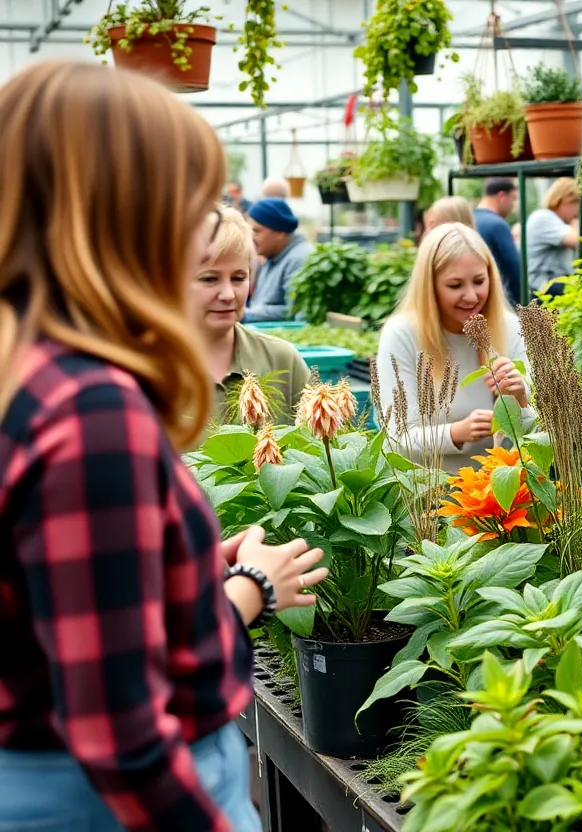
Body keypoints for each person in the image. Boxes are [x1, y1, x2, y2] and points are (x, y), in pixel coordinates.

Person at [0, 60, 328, 831]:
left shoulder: (30, 371)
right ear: (117, 213)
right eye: (186, 200)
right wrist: (251, 582)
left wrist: (187, 561)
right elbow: (124, 735)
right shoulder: (89, 412)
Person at [375, 222, 535, 472]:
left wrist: (521, 398)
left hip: (499, 495)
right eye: (455, 285)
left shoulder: (510, 327)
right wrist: (455, 433)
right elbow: (398, 435)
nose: (471, 296)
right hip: (424, 498)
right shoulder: (401, 334)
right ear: (430, 287)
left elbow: (537, 432)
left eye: (479, 281)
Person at [191, 207, 310, 427]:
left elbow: (325, 451)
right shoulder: (148, 369)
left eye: (238, 278)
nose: (228, 294)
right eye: (209, 279)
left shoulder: (282, 361)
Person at [245, 197, 314, 322]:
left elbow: (295, 311)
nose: (251, 238)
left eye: (256, 231)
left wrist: (247, 315)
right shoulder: (271, 255)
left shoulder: (299, 259)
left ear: (280, 233)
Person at [526, 177, 580, 297]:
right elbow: (578, 240)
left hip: (548, 287)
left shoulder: (556, 220)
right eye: (576, 203)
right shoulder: (544, 217)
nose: (577, 211)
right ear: (564, 200)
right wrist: (577, 221)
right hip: (541, 289)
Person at [475, 178, 523, 306]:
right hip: (500, 301)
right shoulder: (497, 225)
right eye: (513, 199)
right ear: (502, 196)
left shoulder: (469, 219)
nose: (513, 205)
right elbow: (515, 269)